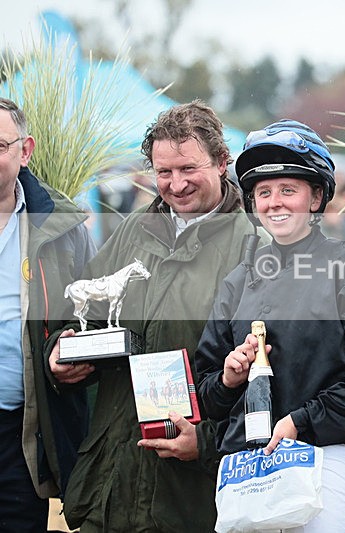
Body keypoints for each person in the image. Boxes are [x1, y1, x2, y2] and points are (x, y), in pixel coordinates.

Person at [46, 100, 259, 532]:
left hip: (195, 498)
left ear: (222, 162)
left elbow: (268, 372)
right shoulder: (132, 231)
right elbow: (81, 311)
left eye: (188, 169)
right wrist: (61, 357)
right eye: (164, 172)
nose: (176, 184)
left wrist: (206, 444)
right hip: (112, 483)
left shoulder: (253, 246)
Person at [196, 120, 345, 532]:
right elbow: (207, 394)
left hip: (326, 457)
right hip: (248, 466)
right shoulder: (236, 283)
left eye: (289, 190)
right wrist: (230, 378)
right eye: (264, 193)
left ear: (317, 196)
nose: (275, 203)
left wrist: (300, 422)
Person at [0, 97, 94, 532]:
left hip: (19, 430)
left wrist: (67, 350)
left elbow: (89, 313)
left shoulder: (61, 225)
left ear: (26, 150)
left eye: (0, 145)